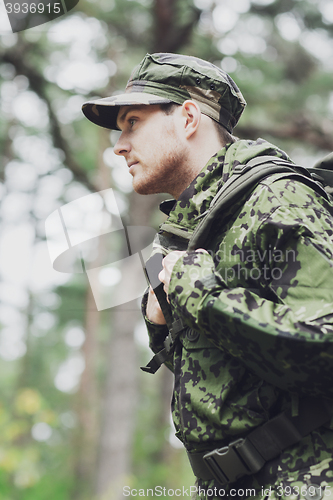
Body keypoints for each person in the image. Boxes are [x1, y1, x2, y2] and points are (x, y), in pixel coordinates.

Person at [82, 53, 333, 500]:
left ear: (189, 117)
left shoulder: (277, 198)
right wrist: (163, 328)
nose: (118, 145)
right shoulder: (200, 226)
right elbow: (242, 380)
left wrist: (198, 292)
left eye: (132, 122)